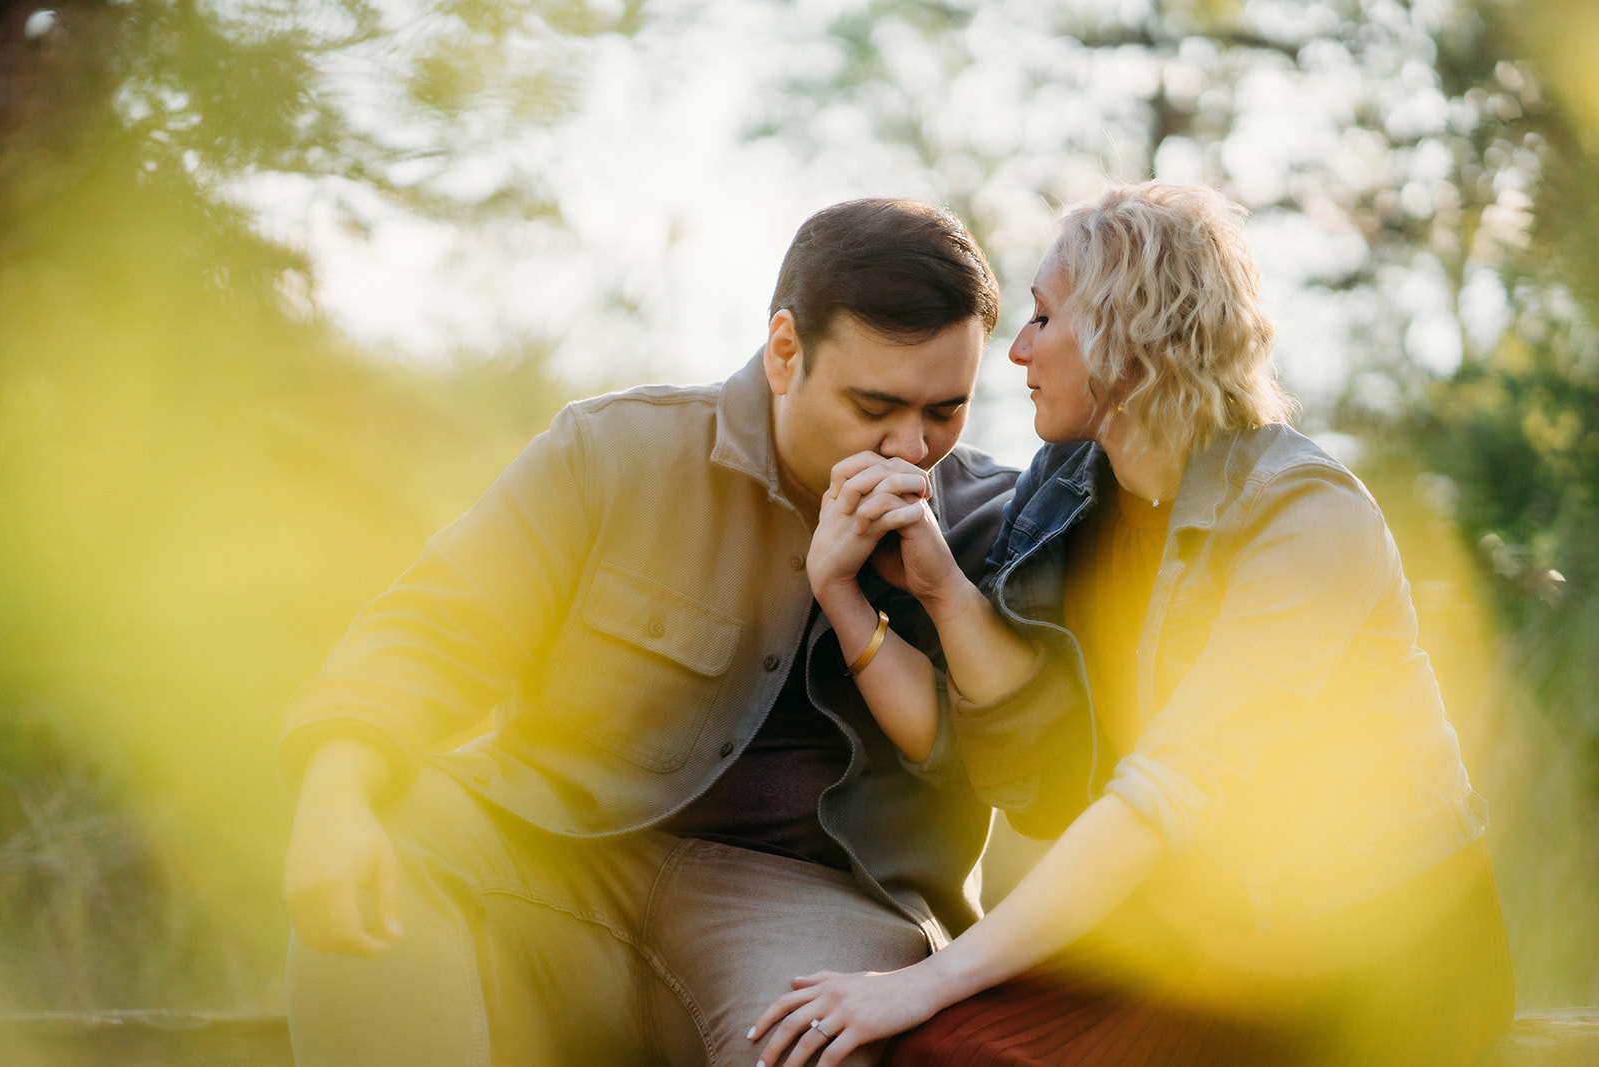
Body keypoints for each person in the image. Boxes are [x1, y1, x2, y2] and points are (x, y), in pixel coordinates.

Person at [277, 198, 1080, 1066]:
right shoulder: (614, 452)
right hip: (557, 858)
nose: (909, 446)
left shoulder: (993, 526)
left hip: (819, 912)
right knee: (383, 828)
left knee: (814, 1048)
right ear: (784, 354)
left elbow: (1043, 775)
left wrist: (939, 590)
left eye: (945, 412)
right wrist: (332, 791)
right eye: (874, 405)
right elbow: (436, 626)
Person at [749, 181, 1515, 1067]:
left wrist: (931, 973)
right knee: (930, 1049)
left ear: (1124, 335)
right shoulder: (1068, 482)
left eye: (1041, 318)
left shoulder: (1306, 517)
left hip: (1367, 948)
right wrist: (876, 591)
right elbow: (1005, 758)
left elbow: (1163, 797)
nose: (1017, 351)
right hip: (1179, 927)